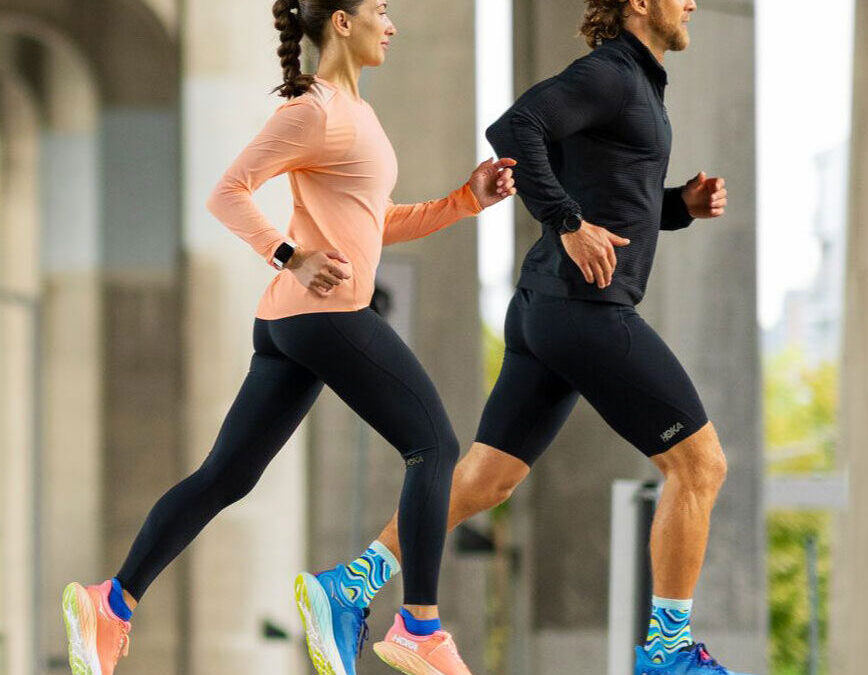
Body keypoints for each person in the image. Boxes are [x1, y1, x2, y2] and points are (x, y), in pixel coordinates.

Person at [60, 1, 516, 674]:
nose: (390, 25)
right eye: (381, 11)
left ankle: (114, 600)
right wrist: (288, 253)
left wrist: (466, 199)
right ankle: (417, 623)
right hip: (321, 316)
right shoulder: (314, 111)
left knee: (228, 475)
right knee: (435, 445)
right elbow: (228, 192)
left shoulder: (356, 115)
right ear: (341, 21)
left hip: (294, 326)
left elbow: (373, 222)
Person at [316, 1, 757, 674]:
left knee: (486, 479)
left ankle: (349, 585)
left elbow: (611, 193)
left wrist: (677, 206)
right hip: (585, 311)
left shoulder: (635, 84)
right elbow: (513, 126)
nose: (692, 1)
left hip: (546, 310)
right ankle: (667, 650)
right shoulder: (610, 74)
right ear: (639, 4)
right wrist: (568, 222)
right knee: (700, 465)